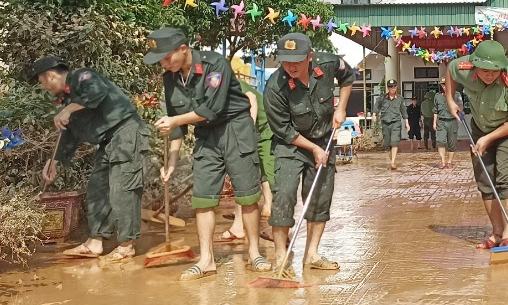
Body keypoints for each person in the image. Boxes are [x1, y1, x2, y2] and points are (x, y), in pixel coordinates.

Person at [147, 27, 267, 280]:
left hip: (235, 128)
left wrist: (174, 120)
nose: (164, 63)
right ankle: (206, 260)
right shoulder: (170, 79)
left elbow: (211, 109)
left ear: (183, 49)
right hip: (206, 136)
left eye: (167, 57)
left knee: (247, 195)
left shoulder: (215, 65)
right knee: (203, 198)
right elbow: (176, 123)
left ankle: (255, 253)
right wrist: (171, 161)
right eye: (160, 60)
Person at [33, 56, 148, 263]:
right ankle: (94, 242)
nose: (44, 87)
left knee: (123, 189)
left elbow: (97, 93)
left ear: (50, 76)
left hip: (126, 132)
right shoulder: (67, 100)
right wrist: (55, 161)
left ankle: (126, 245)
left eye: (42, 82)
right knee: (97, 188)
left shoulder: (83, 77)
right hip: (107, 141)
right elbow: (69, 134)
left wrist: (67, 110)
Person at [263, 31, 355, 272]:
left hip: (325, 137)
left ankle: (311, 254)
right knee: (283, 194)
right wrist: (313, 148)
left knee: (320, 197)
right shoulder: (275, 87)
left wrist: (341, 108)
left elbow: (348, 77)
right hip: (290, 144)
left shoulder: (328, 63)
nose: (291, 66)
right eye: (286, 60)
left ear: (310, 57)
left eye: (297, 60)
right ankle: (281, 259)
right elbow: (283, 129)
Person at [444, 39, 508, 249]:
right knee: (485, 180)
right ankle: (497, 233)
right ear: (475, 66)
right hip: (480, 128)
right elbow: (450, 70)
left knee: (506, 179)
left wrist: (489, 138)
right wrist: (450, 100)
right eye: (485, 71)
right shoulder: (464, 67)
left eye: (495, 71)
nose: (490, 75)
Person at [221, 81, 275, 245]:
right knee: (246, 177)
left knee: (269, 171)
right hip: (249, 130)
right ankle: (240, 225)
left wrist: (246, 134)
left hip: (264, 127)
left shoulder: (227, 82)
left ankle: (280, 223)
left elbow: (251, 99)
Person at [376, 80, 406, 169]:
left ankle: (392, 162)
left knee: (394, 142)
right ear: (388, 88)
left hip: (396, 122)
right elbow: (377, 106)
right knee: (387, 144)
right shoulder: (382, 98)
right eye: (390, 87)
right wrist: (374, 114)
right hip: (385, 123)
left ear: (396, 87)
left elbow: (403, 111)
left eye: (394, 86)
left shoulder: (400, 98)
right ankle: (392, 160)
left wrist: (407, 123)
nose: (392, 88)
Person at [434, 84, 459, 170]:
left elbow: (460, 107)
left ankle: (449, 162)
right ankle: (443, 161)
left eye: (447, 84)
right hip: (441, 121)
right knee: (440, 141)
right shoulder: (437, 97)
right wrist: (434, 123)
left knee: (452, 143)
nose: (445, 86)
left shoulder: (456, 95)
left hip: (452, 121)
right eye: (443, 85)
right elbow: (435, 110)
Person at [420, 84, 437, 151]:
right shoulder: (433, 103)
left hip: (425, 119)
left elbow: (421, 111)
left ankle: (425, 147)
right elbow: (435, 111)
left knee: (425, 134)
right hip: (431, 119)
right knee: (433, 133)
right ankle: (433, 146)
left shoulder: (422, 104)